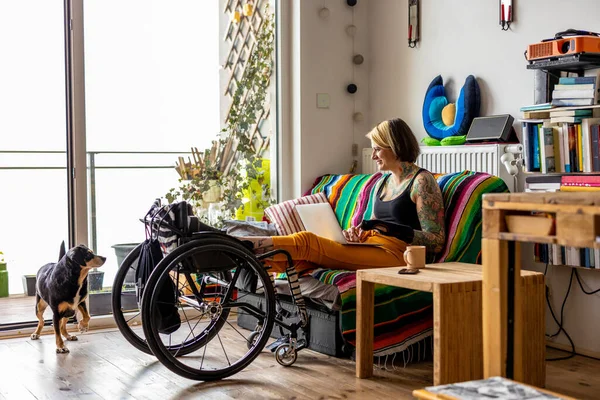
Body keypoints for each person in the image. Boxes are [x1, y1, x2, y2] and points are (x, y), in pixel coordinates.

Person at [243, 117, 445, 274]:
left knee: (307, 241)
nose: (373, 156)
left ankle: (246, 245)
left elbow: (436, 241)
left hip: (398, 254)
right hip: (372, 245)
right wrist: (356, 233)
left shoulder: (421, 181)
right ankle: (248, 263)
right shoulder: (383, 181)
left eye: (377, 149)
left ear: (396, 147)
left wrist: (392, 230)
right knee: (302, 260)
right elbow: (376, 223)